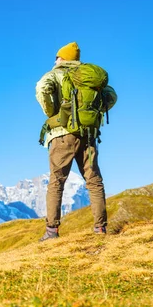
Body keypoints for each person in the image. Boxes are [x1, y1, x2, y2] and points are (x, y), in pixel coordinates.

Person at [35, 42, 108, 241]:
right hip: (88, 134)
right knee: (94, 182)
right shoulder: (89, 76)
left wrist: (51, 112)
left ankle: (52, 232)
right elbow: (111, 96)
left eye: (56, 57)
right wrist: (95, 112)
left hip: (62, 135)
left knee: (57, 182)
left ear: (61, 58)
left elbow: (41, 88)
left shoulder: (55, 73)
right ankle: (100, 229)